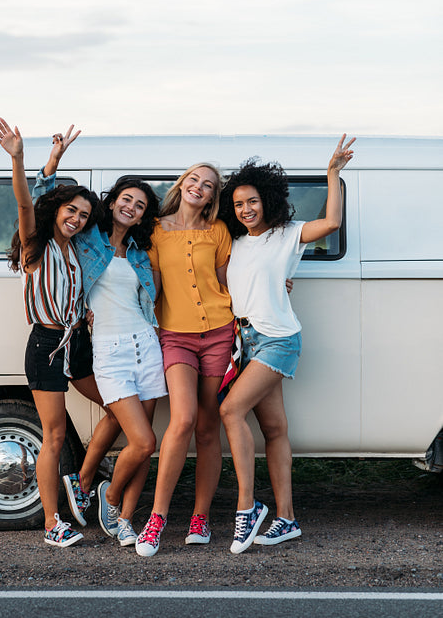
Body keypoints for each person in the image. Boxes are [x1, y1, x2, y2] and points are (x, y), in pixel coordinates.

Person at [218, 134, 355, 554]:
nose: (246, 209)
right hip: (246, 340)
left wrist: (332, 175)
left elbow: (331, 223)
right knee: (275, 429)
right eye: (239, 203)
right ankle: (287, 519)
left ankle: (247, 507)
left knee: (230, 409)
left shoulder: (287, 234)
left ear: (269, 200)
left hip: (278, 339)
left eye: (253, 201)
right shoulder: (235, 242)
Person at [33, 131, 167, 547]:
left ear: (144, 216)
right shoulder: (87, 238)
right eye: (125, 199)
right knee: (143, 439)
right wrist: (53, 159)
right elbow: (45, 203)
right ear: (112, 203)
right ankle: (99, 489)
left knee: (143, 441)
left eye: (140, 205)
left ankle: (123, 517)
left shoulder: (143, 254)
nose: (131, 207)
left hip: (147, 344)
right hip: (106, 347)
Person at [0, 118, 120, 548]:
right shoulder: (36, 246)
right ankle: (52, 523)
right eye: (71, 211)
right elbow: (27, 204)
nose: (78, 219)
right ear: (57, 211)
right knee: (56, 435)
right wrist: (22, 158)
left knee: (120, 408)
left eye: (84, 215)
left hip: (76, 342)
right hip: (46, 345)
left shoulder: (74, 248)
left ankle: (82, 482)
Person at [134, 163, 234, 557]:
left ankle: (200, 516)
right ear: (182, 184)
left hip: (220, 332)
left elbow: (229, 282)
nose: (199, 187)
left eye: (208, 185)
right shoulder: (157, 230)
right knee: (183, 419)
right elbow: (151, 288)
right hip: (175, 336)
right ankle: (157, 518)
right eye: (194, 179)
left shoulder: (219, 232)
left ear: (213, 196)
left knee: (209, 427)